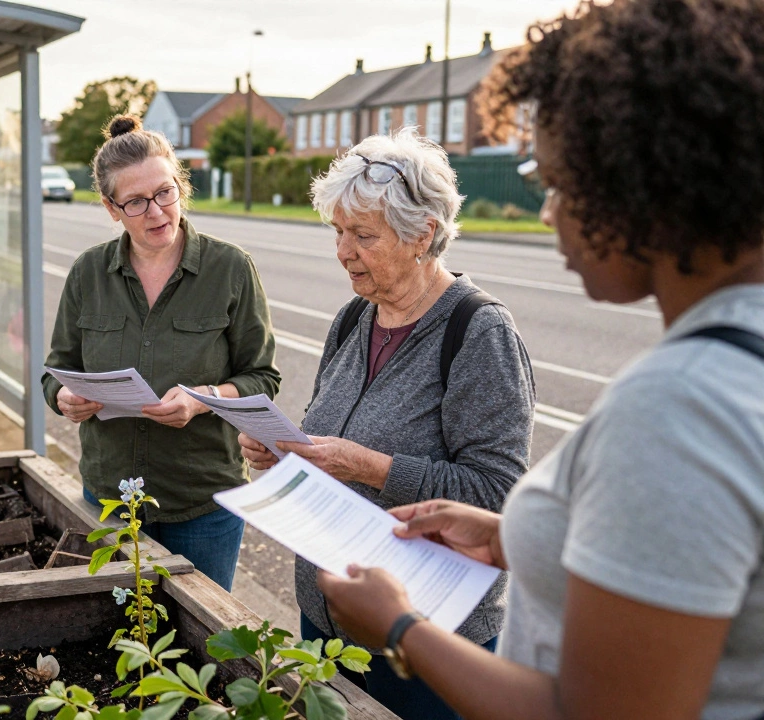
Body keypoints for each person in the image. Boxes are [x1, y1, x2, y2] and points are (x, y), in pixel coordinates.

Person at [316, 1, 764, 719]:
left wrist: (400, 628)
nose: (548, 212)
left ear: (644, 184)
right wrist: (518, 540)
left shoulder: (679, 409)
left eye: (557, 182)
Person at [238, 128, 536, 720]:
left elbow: (498, 497)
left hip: (429, 635)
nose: (343, 251)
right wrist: (282, 452)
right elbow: (335, 429)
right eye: (338, 232)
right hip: (329, 615)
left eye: (363, 236)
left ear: (423, 234)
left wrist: (367, 467)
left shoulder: (480, 334)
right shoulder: (354, 318)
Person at [43, 115, 281, 591]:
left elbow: (262, 377)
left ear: (180, 186)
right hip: (110, 499)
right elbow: (57, 371)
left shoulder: (230, 268)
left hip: (203, 502)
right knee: (120, 641)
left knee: (205, 647)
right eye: (136, 202)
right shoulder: (88, 273)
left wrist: (204, 397)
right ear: (112, 208)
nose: (156, 212)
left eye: (165, 192)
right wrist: (64, 397)